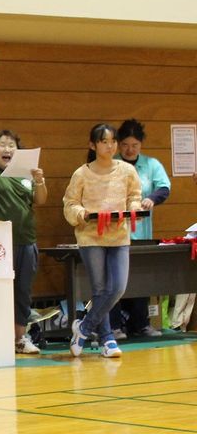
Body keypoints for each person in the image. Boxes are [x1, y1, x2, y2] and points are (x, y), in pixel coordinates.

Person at [0, 99, 48, 354]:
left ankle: (19, 339)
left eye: (11, 145)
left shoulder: (25, 176)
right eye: (2, 145)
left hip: (27, 241)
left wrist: (40, 181)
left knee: (22, 292)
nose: (7, 148)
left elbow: (40, 200)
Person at [63, 124, 142, 357]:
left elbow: (134, 196)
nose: (110, 146)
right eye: (104, 141)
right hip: (91, 236)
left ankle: (83, 328)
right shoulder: (81, 173)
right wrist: (82, 213)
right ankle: (108, 340)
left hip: (119, 235)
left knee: (117, 288)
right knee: (100, 289)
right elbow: (70, 204)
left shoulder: (127, 170)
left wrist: (134, 207)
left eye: (113, 141)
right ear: (93, 145)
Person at [109, 118, 170, 338]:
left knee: (141, 278)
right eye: (125, 145)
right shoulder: (111, 164)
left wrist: (152, 198)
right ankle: (114, 325)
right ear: (118, 144)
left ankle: (141, 324)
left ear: (141, 144)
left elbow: (164, 188)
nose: (129, 149)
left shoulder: (151, 164)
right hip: (115, 233)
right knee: (115, 280)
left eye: (134, 145)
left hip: (141, 233)